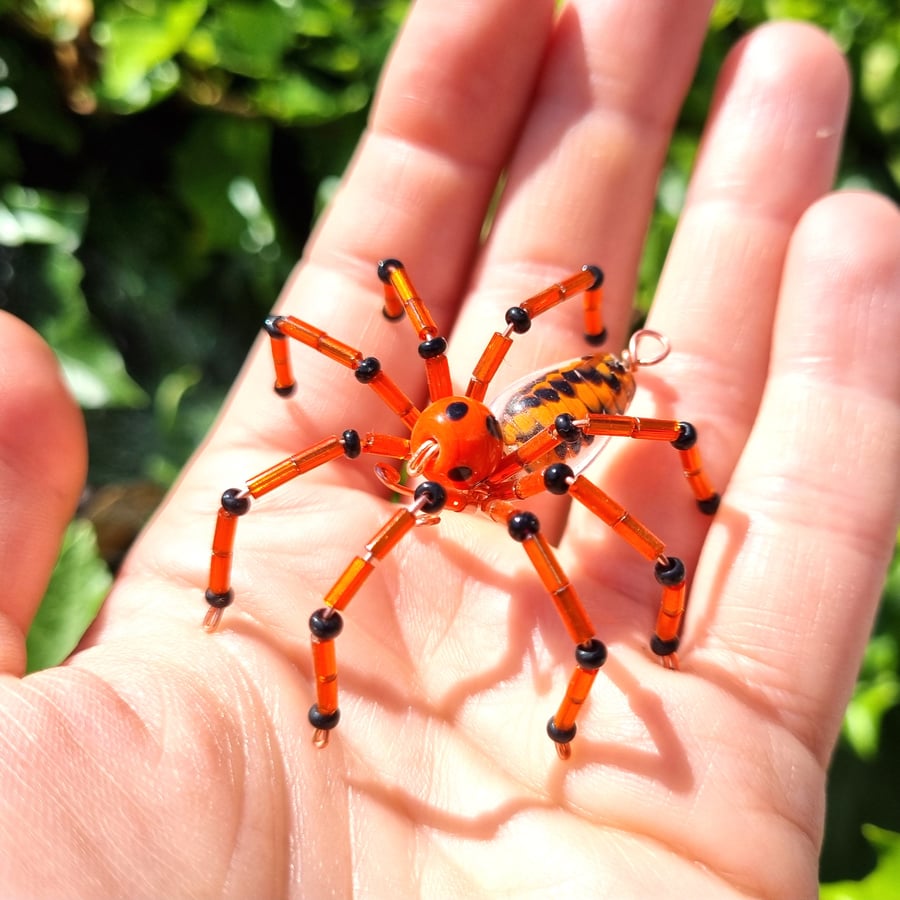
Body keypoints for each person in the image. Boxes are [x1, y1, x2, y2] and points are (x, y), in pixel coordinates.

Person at [1, 0, 898, 896]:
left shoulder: (516, 474)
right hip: (484, 426)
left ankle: (613, 367)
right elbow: (298, 532)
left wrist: (673, 546)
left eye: (429, 477)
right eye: (416, 468)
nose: (413, 486)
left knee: (573, 476)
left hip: (531, 427)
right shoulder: (416, 439)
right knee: (392, 413)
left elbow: (640, 541)